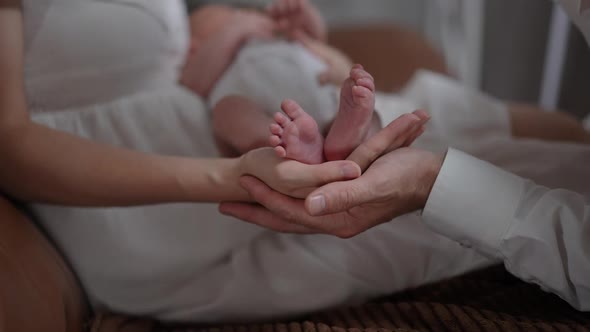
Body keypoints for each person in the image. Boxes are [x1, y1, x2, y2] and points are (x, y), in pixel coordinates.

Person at [219, 0, 590, 311]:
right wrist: (229, 33)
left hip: (312, 95)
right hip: (263, 103)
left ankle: (342, 133)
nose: (248, 17)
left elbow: (334, 66)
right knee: (230, 109)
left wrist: (312, 40)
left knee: (355, 107)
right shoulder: (218, 58)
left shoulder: (279, 45)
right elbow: (194, 77)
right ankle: (281, 146)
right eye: (211, 22)